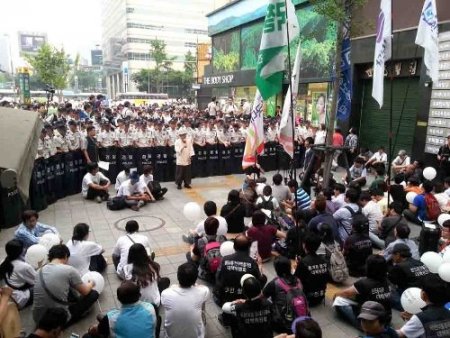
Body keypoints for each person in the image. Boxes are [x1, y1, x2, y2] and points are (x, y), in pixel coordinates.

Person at [32, 244, 99, 327]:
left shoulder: (39, 271)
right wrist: (91, 283)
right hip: (56, 323)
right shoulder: (69, 270)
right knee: (93, 294)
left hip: (38, 319)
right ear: (65, 256)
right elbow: (85, 291)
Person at [333, 255, 391, 330]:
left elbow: (345, 293)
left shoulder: (363, 283)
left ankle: (363, 325)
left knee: (338, 300)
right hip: (386, 318)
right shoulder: (387, 281)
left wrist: (335, 295)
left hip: (369, 323)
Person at [86, 281, 157, 338]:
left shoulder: (112, 317)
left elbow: (99, 331)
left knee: (87, 336)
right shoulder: (150, 307)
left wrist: (91, 329)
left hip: (109, 322)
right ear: (139, 295)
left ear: (119, 299)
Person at [214, 234, 267, 306]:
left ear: (234, 247)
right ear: (248, 248)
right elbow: (258, 283)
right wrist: (260, 265)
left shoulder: (225, 259)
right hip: (244, 300)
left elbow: (217, 277)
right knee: (264, 278)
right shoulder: (252, 263)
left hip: (224, 298)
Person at [161, 263, 209, 338]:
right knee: (202, 306)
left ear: (178, 277)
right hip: (196, 336)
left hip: (171, 335)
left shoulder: (165, 293)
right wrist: (196, 286)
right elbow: (203, 288)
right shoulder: (204, 291)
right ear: (195, 279)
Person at [263, 257, 305, 332]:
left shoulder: (275, 283)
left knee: (266, 302)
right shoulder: (298, 281)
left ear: (277, 270)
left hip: (282, 326)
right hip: (300, 322)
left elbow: (261, 297)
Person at [123, 243, 170, 307]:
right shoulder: (154, 265)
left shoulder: (127, 268)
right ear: (145, 253)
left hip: (138, 303)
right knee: (166, 281)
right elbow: (157, 279)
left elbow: (128, 282)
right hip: (155, 302)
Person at [388, 243, 431, 311]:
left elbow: (392, 280)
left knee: (386, 291)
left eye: (393, 254)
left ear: (398, 255)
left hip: (411, 299)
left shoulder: (399, 267)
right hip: (427, 297)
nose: (392, 257)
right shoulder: (420, 262)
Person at [294, 233, 328, 307]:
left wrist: (297, 265)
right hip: (321, 296)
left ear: (304, 245)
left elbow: (296, 279)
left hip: (307, 298)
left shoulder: (303, 262)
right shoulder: (324, 261)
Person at [0, 239, 36, 309]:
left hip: (9, 291)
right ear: (21, 251)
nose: (25, 249)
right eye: (23, 247)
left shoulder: (4, 261)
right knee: (43, 284)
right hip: (18, 297)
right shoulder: (25, 266)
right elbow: (37, 280)